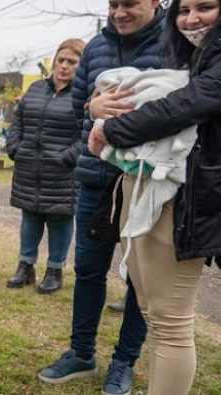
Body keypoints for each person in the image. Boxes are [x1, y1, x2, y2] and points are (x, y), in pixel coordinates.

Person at [88, 0, 221, 392]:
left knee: (171, 322)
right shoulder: (192, 56)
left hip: (188, 197)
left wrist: (112, 130)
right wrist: (95, 106)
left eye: (206, 7)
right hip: (157, 189)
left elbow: (188, 103)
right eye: (185, 10)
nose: (192, 19)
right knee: (152, 309)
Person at [38, 1, 162, 394]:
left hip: (147, 184)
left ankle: (124, 363)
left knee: (140, 282)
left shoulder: (174, 42)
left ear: (155, 2)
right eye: (114, 4)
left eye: (130, 4)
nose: (120, 12)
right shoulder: (93, 48)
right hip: (96, 180)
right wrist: (92, 107)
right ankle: (81, 353)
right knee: (89, 271)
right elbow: (78, 113)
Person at [5, 39, 85, 294]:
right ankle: (25, 266)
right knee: (30, 216)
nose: (63, 66)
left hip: (62, 171)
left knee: (60, 220)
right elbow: (18, 119)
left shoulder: (84, 94)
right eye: (60, 60)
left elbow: (88, 132)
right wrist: (15, 147)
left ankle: (54, 270)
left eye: (71, 62)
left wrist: (68, 157)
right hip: (29, 168)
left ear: (81, 65)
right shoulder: (37, 88)